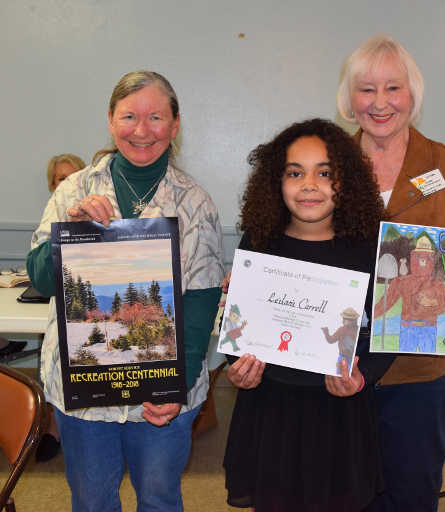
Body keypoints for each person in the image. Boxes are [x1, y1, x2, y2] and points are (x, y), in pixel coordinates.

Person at [26, 70, 225, 511]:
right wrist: (72, 234)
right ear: (111, 121)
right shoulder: (74, 190)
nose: (142, 130)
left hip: (161, 393)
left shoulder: (195, 203)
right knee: (92, 500)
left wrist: (177, 385)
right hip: (83, 393)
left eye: (156, 117)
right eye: (129, 116)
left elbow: (202, 298)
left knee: (158, 499)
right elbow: (39, 278)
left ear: (175, 124)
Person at [337, 35, 445, 512]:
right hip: (341, 361)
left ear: (413, 95)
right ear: (349, 99)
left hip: (421, 365)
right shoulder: (327, 164)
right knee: (342, 489)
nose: (380, 103)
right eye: (366, 89)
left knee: (412, 492)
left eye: (393, 88)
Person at [223, 118, 395, 512]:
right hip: (270, 407)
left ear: (346, 180)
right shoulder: (259, 241)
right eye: (295, 173)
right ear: (276, 181)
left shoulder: (369, 247)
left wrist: (362, 374)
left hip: (339, 410)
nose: (309, 185)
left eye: (325, 173)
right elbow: (239, 321)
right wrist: (238, 366)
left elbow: (387, 332)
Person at [37, 153, 86, 462]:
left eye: (72, 177)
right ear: (52, 184)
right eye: (60, 179)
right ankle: (51, 425)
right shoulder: (48, 219)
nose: (66, 184)